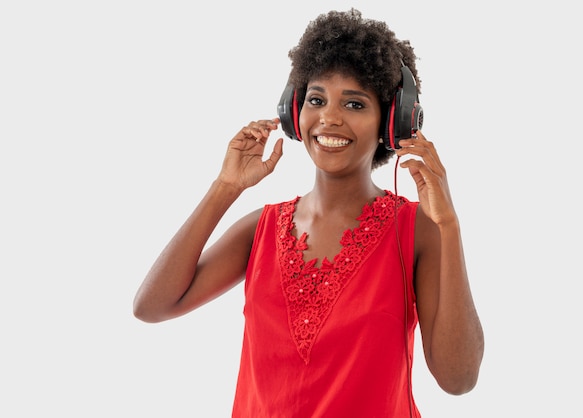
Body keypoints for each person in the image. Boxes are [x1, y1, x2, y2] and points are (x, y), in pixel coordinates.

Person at [133, 8, 484, 417]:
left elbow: (458, 379)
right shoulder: (260, 229)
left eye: (354, 103)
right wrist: (225, 188)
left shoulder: (416, 230)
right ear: (294, 112)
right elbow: (151, 307)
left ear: (392, 122)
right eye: (316, 99)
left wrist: (450, 225)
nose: (329, 117)